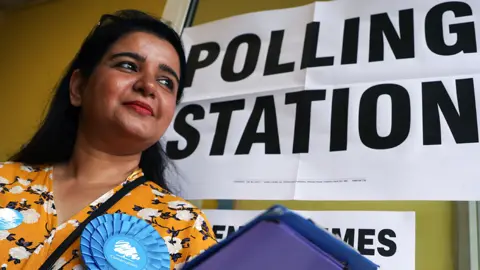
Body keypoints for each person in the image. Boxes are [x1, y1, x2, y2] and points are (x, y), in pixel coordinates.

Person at [0, 9, 216, 270]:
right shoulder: (5, 181)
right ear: (79, 87)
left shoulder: (185, 227)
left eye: (165, 81)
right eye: (128, 65)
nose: (148, 86)